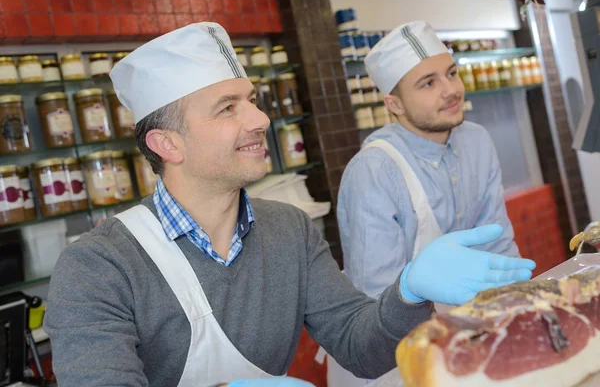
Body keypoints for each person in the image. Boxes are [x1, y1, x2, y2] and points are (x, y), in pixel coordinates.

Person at [43, 22, 535, 387]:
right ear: (168, 145)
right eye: (228, 108)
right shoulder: (97, 267)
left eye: (252, 100)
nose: (260, 118)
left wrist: (407, 293)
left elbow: (358, 348)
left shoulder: (288, 231)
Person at [331, 21, 525, 385]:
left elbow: (497, 244)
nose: (451, 90)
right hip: (395, 358)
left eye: (451, 73)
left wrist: (519, 311)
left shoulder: (477, 141)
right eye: (428, 83)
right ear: (394, 104)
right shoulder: (373, 170)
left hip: (465, 337)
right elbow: (376, 297)